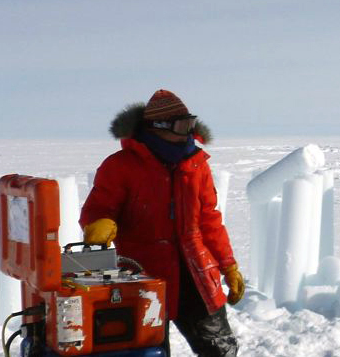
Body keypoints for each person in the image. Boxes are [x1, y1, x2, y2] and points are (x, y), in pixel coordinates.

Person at [80, 89, 244, 357]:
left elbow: (209, 220)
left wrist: (228, 265)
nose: (189, 133)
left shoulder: (196, 164)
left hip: (196, 273)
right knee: (150, 352)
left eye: (191, 124)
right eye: (182, 126)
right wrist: (98, 224)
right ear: (158, 127)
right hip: (142, 276)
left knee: (221, 349)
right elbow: (98, 208)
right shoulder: (120, 166)